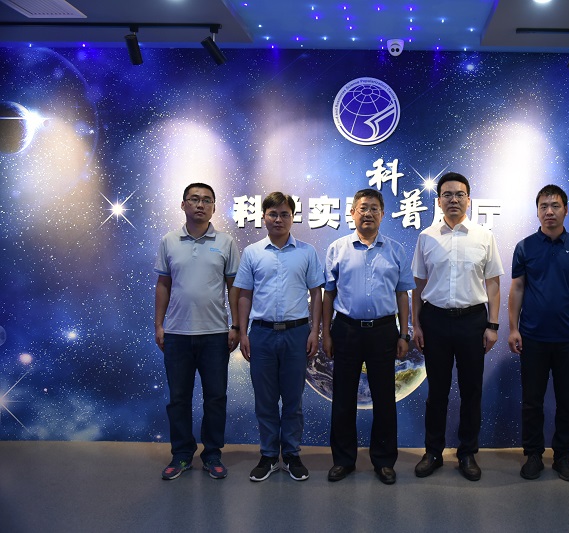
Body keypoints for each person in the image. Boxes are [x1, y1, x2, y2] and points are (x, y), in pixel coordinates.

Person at [411, 172, 504, 482]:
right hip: (435, 321)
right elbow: (418, 286)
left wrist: (493, 325)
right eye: (447, 194)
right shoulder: (426, 237)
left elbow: (493, 284)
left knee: (471, 391)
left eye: (459, 194)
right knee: (436, 392)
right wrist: (417, 325)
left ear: (469, 200)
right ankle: (433, 452)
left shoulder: (484, 236)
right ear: (438, 201)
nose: (453, 199)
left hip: (472, 322)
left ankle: (467, 453)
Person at [322, 189, 415, 485]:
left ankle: (384, 461)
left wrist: (404, 333)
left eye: (374, 208)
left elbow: (403, 295)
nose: (368, 213)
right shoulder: (337, 248)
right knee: (343, 398)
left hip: (384, 332)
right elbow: (328, 294)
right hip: (346, 330)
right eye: (363, 208)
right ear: (352, 212)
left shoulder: (396, 250)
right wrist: (326, 333)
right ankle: (343, 460)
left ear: (383, 214)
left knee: (385, 399)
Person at [507, 184, 569, 482]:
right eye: (543, 206)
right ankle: (533, 455)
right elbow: (518, 287)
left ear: (566, 210)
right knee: (532, 401)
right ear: (537, 211)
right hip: (532, 337)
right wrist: (513, 328)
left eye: (555, 206)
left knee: (567, 402)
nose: (549, 211)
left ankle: (562, 457)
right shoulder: (525, 247)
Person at [234, 192, 324, 482]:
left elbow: (317, 294)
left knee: (293, 399)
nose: (278, 219)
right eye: (273, 214)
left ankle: (293, 455)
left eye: (285, 214)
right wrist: (243, 332)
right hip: (261, 334)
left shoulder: (307, 252)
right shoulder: (252, 253)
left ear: (292, 217)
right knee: (266, 400)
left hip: (297, 334)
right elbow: (244, 294)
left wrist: (314, 331)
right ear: (264, 217)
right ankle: (269, 456)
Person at [154, 182, 241, 480]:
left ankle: (212, 454)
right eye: (194, 199)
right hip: (177, 334)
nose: (200, 204)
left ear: (214, 207)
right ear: (183, 205)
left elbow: (234, 287)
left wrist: (236, 325)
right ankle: (181, 454)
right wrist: (159, 325)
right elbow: (163, 284)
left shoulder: (226, 242)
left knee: (215, 398)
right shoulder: (169, 241)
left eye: (207, 200)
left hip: (215, 334)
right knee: (178, 399)